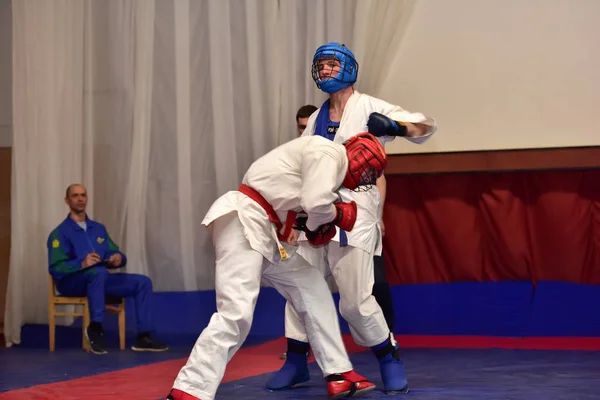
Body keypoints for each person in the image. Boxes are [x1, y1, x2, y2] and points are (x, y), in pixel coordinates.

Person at [266, 42, 437, 395]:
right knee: (301, 289)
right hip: (315, 211)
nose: (326, 71)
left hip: (356, 213)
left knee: (356, 303)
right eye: (321, 66)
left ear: (348, 68)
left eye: (331, 64)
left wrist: (395, 126)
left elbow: (426, 126)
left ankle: (388, 356)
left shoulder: (370, 106)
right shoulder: (315, 119)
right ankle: (296, 361)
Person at [166, 133, 387, 400]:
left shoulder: (326, 171)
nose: (365, 169)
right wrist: (336, 214)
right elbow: (316, 203)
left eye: (370, 169)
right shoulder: (328, 153)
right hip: (243, 220)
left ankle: (338, 374)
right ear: (353, 152)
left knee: (312, 286)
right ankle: (189, 389)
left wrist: (313, 224)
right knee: (236, 313)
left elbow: (302, 207)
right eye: (365, 162)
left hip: (265, 232)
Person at [47, 184, 168, 355]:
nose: (80, 199)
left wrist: (118, 258)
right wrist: (82, 264)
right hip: (72, 283)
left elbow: (114, 251)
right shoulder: (59, 233)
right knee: (98, 273)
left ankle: (144, 336)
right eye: (75, 196)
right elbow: (56, 268)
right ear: (67, 200)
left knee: (142, 282)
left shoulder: (99, 229)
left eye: (83, 195)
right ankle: (95, 327)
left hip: (100, 279)